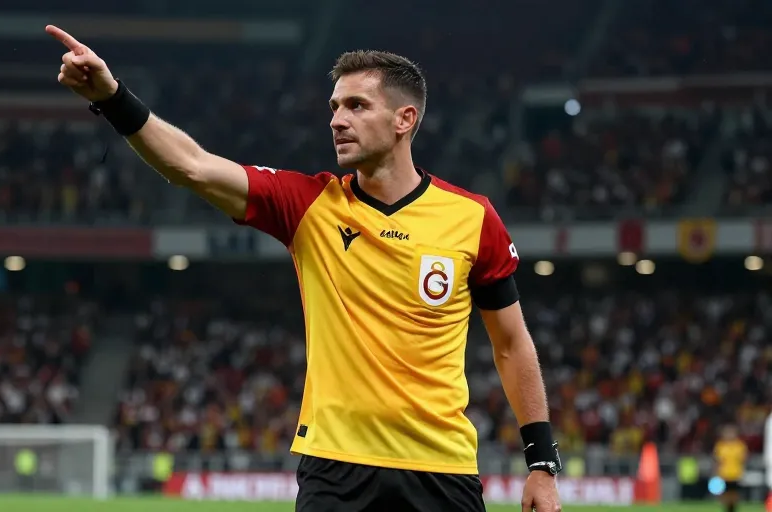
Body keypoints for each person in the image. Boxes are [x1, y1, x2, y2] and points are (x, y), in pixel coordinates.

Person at [46, 25, 563, 512]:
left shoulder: (472, 218)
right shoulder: (308, 204)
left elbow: (511, 343)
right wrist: (112, 97)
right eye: (334, 107)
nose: (337, 120)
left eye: (357, 105)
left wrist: (541, 463)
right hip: (335, 472)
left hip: (442, 472)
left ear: (405, 119)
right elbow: (192, 166)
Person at [714, 424, 748, 512]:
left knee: (734, 494)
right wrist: (716, 473)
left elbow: (744, 459)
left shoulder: (740, 446)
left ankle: (733, 508)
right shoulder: (721, 446)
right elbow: (718, 461)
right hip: (724, 474)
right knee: (725, 495)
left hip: (736, 474)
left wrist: (743, 472)